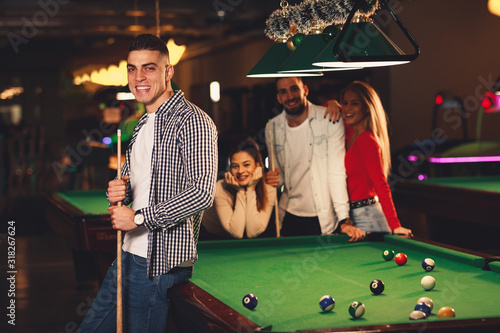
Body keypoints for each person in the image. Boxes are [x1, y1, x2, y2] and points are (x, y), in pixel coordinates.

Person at [78, 34, 218, 332]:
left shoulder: (193, 121)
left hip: (158, 262)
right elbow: (133, 183)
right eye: (132, 68)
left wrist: (138, 218)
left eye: (149, 68)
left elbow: (202, 193)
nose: (138, 77)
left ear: (168, 72)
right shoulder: (142, 123)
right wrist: (119, 189)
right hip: (127, 253)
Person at [265, 77, 365, 241]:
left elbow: (336, 172)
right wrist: (272, 178)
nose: (290, 96)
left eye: (294, 89)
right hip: (288, 216)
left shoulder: (328, 118)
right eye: (283, 92)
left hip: (322, 218)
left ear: (305, 90)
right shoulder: (272, 127)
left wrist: (344, 219)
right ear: (278, 98)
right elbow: (281, 177)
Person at [332, 81, 412, 236]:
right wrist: (332, 103)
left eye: (354, 104)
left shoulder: (367, 141)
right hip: (353, 215)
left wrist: (395, 225)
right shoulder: (349, 133)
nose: (348, 109)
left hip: (368, 216)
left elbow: (381, 184)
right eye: (345, 103)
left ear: (367, 108)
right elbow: (323, 112)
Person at [202, 138, 276, 239]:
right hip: (211, 238)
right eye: (235, 166)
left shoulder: (269, 190)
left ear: (258, 166)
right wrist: (241, 192)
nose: (240, 171)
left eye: (246, 165)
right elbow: (236, 233)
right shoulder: (220, 188)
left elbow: (252, 233)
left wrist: (250, 189)